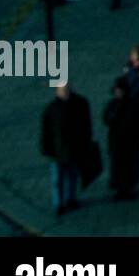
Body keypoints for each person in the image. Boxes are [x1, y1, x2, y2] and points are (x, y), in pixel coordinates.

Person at [40, 83, 92, 216]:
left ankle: (70, 199)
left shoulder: (80, 104)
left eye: (67, 89)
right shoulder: (51, 109)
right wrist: (46, 149)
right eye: (63, 90)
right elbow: (45, 132)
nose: (65, 92)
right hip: (57, 151)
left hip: (73, 149)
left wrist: (87, 143)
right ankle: (59, 203)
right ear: (57, 91)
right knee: (57, 179)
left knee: (72, 176)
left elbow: (86, 126)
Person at [103, 76, 139, 201]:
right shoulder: (112, 104)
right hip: (116, 142)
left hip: (130, 142)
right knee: (117, 167)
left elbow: (137, 122)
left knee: (130, 166)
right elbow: (106, 119)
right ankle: (120, 189)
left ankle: (129, 188)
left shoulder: (133, 104)